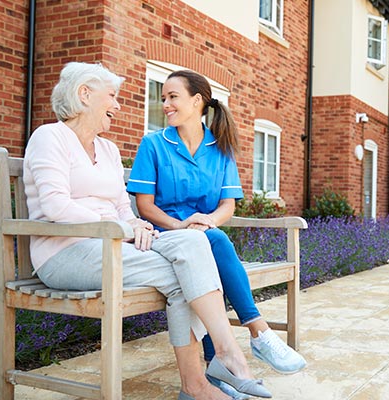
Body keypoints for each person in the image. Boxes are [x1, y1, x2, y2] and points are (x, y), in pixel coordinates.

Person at [23, 62, 271, 400]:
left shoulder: (108, 149)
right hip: (64, 253)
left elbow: (123, 207)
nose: (118, 105)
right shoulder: (50, 137)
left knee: (193, 242)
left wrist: (137, 224)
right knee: (185, 271)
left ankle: (207, 374)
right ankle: (219, 366)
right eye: (111, 96)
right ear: (84, 95)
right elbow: (55, 205)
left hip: (113, 246)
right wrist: (123, 228)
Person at [126, 70, 307, 382]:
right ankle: (258, 331)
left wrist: (206, 222)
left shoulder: (220, 148)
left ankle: (218, 370)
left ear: (197, 101)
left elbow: (227, 205)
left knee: (210, 245)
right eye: (164, 98)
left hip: (204, 235)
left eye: (173, 97)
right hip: (163, 235)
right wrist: (182, 225)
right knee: (216, 243)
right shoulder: (153, 144)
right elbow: (145, 206)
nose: (166, 104)